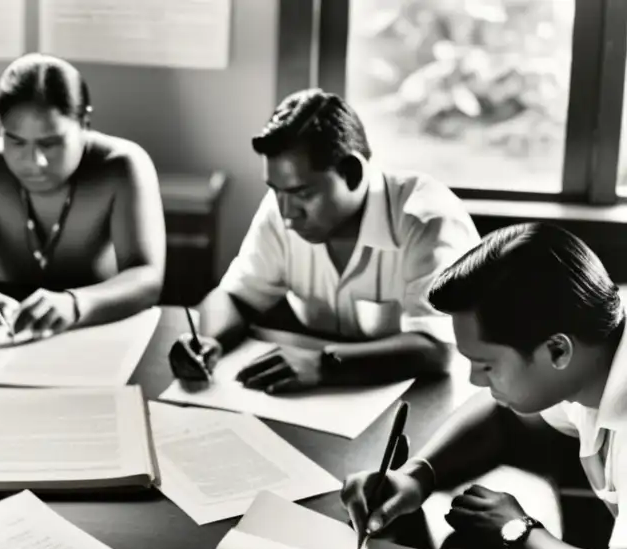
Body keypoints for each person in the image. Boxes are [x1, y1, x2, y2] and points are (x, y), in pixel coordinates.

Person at [341, 223, 627, 549]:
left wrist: (521, 530)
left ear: (557, 351)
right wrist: (418, 475)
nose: (475, 381)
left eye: (487, 365)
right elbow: (502, 416)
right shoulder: (592, 359)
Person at [169, 88, 479, 393]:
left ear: (354, 173)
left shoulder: (427, 221)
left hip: (424, 402)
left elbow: (439, 348)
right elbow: (234, 296)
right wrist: (209, 340)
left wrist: (323, 365)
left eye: (303, 194)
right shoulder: (280, 211)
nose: (287, 213)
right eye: (276, 190)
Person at [0, 52, 166, 338]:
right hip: (7, 332)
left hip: (97, 327)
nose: (33, 161)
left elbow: (147, 278)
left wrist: (75, 304)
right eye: (15, 141)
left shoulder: (122, 165)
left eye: (50, 143)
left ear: (84, 124)